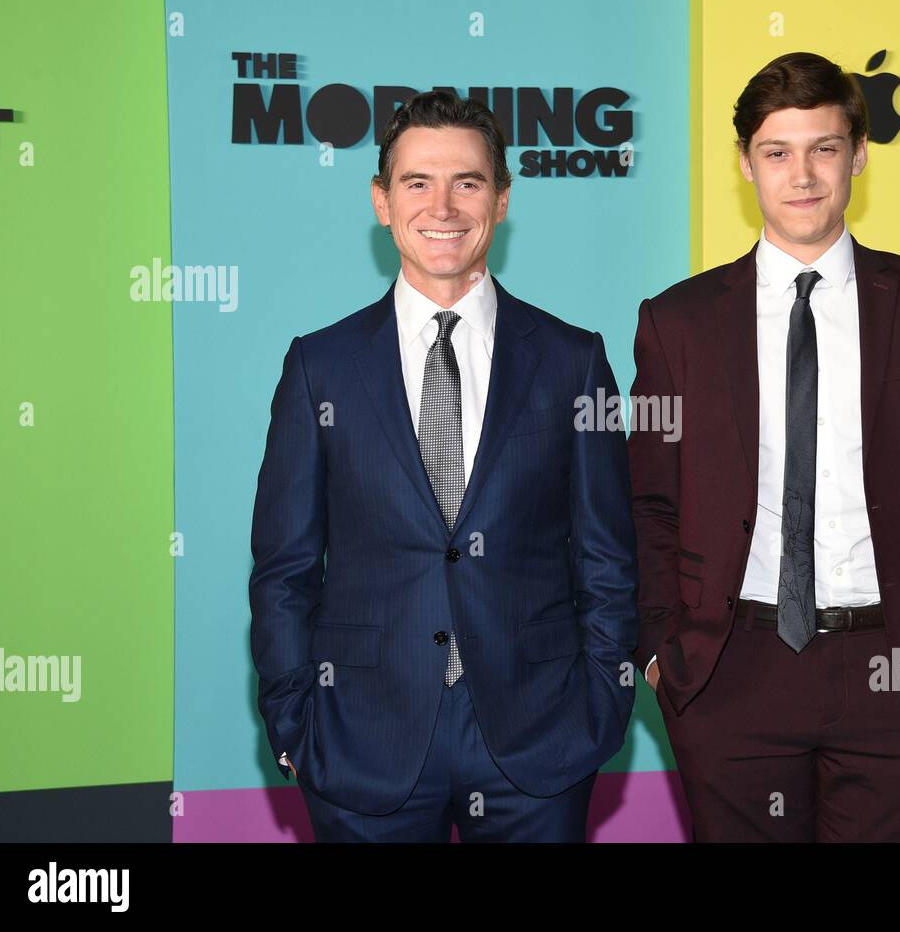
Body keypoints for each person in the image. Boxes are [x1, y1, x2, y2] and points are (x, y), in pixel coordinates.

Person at [628, 52, 900, 841]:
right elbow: (649, 504)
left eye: (824, 148)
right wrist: (662, 653)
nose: (801, 175)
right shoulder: (680, 322)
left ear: (859, 156)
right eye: (777, 152)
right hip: (731, 671)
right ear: (746, 165)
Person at [249, 89, 637, 842]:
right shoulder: (319, 367)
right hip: (362, 738)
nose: (444, 205)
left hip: (539, 739)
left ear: (502, 197)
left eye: (468, 181)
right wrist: (296, 720)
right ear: (381, 202)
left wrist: (599, 707)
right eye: (417, 182)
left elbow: (607, 558)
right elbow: (284, 570)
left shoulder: (572, 360)